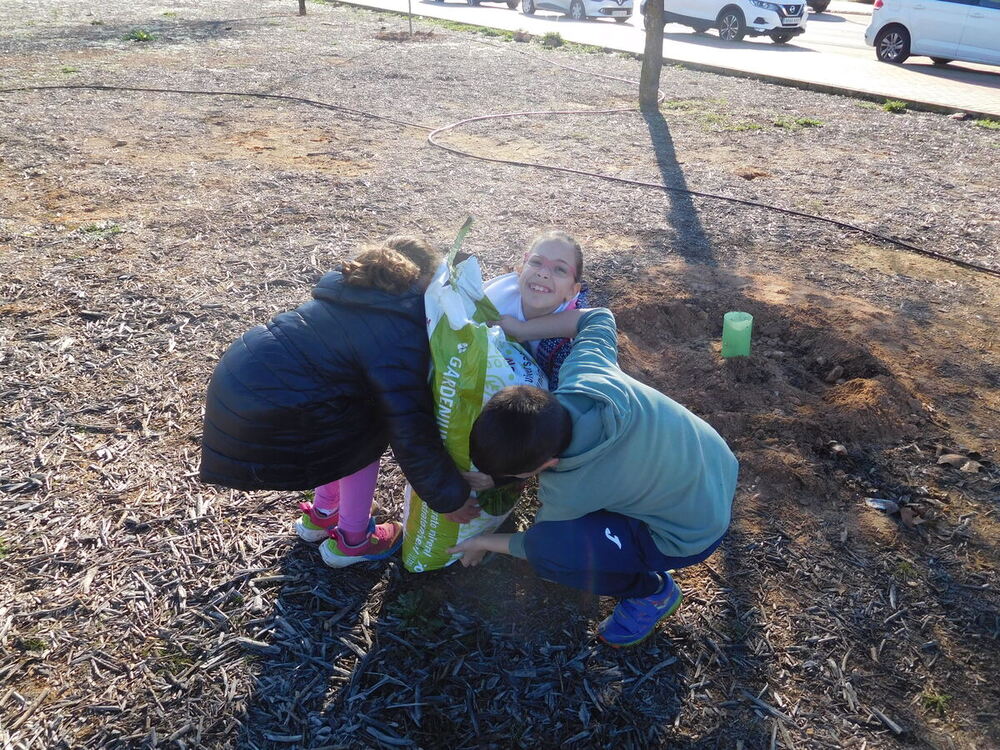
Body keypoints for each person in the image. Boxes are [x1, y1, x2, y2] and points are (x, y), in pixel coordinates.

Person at [448, 307, 738, 647]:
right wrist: (523, 330)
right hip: (716, 466)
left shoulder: (569, 491)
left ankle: (652, 594)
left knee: (553, 555)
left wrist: (481, 541)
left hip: (690, 533)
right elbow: (598, 316)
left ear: (548, 464)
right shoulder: (585, 371)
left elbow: (538, 543)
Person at [200, 236, 479, 568]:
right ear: (419, 282)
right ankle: (353, 540)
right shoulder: (396, 330)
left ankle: (323, 514)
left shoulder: (354, 295)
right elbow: (410, 428)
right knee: (364, 434)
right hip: (272, 404)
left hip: (240, 382)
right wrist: (448, 497)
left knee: (336, 421)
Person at [484, 230, 586, 390]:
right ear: (521, 268)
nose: (543, 273)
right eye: (536, 262)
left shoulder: (568, 346)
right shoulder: (497, 296)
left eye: (560, 269)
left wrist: (521, 329)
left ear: (572, 291)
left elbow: (593, 320)